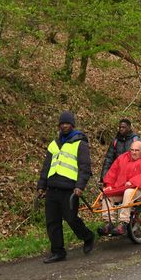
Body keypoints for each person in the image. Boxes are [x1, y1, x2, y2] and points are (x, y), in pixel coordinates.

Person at [36, 110, 95, 263]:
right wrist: (41, 187)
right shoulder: (53, 145)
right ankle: (58, 251)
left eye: (67, 123)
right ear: (59, 125)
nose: (64, 126)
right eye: (62, 123)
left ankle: (88, 236)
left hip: (70, 190)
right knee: (52, 221)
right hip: (52, 189)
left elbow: (85, 168)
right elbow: (46, 167)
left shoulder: (80, 143)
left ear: (73, 125)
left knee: (71, 219)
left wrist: (80, 186)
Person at [98, 140, 141, 236]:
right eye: (132, 150)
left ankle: (123, 223)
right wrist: (108, 186)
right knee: (106, 195)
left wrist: (133, 182)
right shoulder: (122, 158)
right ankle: (108, 222)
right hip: (122, 189)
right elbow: (112, 174)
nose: (133, 152)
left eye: (136, 150)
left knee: (129, 192)